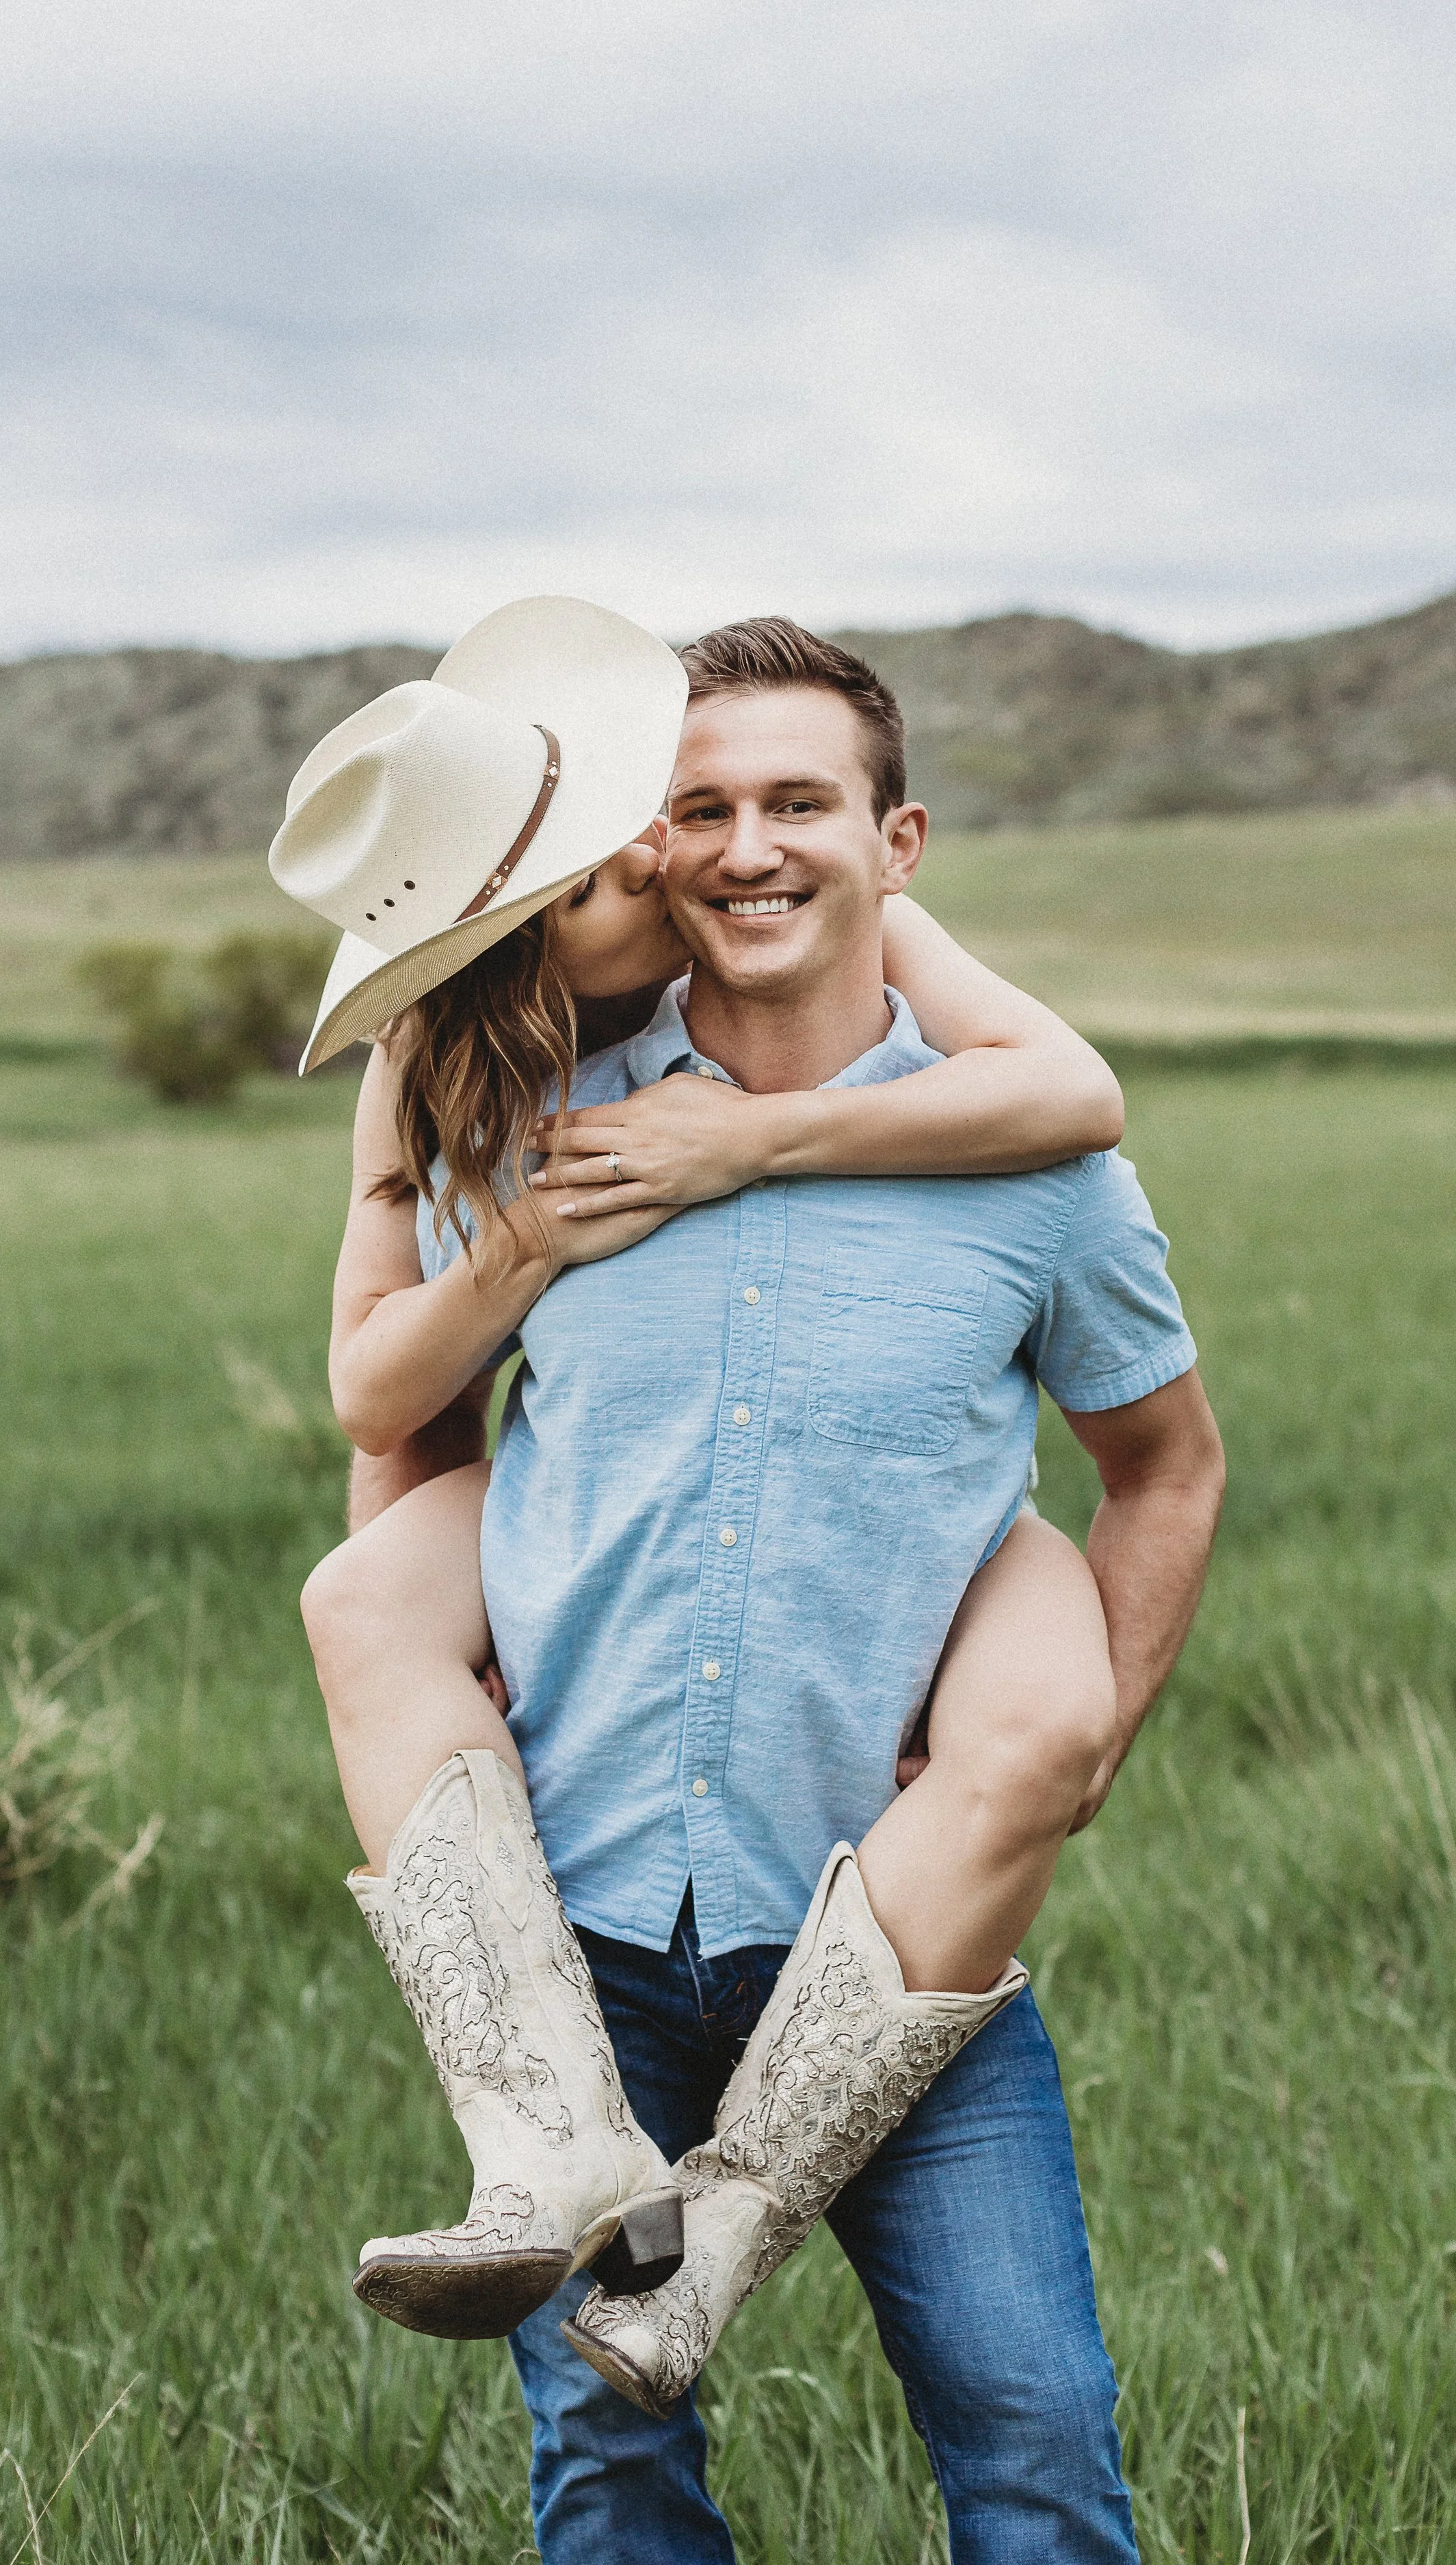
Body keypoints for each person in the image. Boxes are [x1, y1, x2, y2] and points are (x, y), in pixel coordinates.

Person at [276, 603, 1224, 2558]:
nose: (741, 846)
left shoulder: (1028, 1157)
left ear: (897, 841)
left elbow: (1165, 1465)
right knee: (606, 2463)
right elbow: (398, 1417)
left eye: (798, 800)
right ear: (650, 839)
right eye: (700, 807)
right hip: (596, 1919)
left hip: (891, 1942)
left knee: (1031, 2430)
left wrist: (1062, 1756)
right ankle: (566, 2161)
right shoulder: (528, 1110)